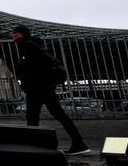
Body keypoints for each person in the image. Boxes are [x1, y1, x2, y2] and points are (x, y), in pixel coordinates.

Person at [11, 26, 89, 155]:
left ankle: (34, 146)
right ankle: (78, 142)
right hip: (42, 88)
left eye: (16, 33)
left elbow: (33, 69)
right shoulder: (32, 46)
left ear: (23, 34)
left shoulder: (29, 47)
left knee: (33, 117)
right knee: (54, 115)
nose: (13, 35)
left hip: (38, 88)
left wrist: (28, 83)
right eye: (13, 33)